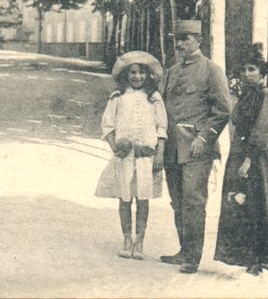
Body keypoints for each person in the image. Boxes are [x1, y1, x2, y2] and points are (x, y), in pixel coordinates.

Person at [214, 43, 268, 275]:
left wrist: (248, 160)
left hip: (257, 157)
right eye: (244, 70)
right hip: (240, 153)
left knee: (258, 205)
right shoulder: (247, 95)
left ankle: (262, 258)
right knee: (240, 205)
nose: (247, 74)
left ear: (262, 73)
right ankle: (246, 256)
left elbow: (261, 129)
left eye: (252, 69)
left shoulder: (267, 96)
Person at [159, 19, 231, 274]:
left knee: (193, 202)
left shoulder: (212, 70)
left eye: (186, 38)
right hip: (172, 148)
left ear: (199, 40)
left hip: (197, 148)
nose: (180, 44)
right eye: (178, 39)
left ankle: (193, 257)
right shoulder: (171, 72)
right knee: (177, 202)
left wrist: (204, 139)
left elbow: (223, 110)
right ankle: (183, 251)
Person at [95, 51, 167, 261]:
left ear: (148, 76)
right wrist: (116, 146)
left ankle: (140, 240)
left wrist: (159, 154)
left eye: (141, 73)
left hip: (146, 157)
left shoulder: (154, 98)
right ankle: (127, 239)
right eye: (133, 73)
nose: (137, 77)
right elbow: (107, 126)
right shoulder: (118, 97)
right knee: (125, 198)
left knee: (143, 198)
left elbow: (162, 127)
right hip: (125, 157)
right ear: (126, 75)